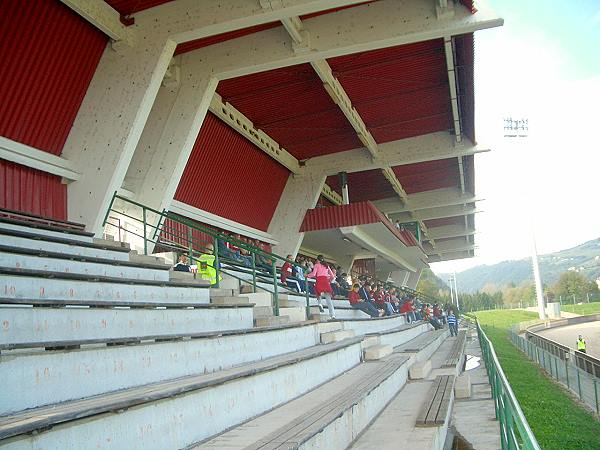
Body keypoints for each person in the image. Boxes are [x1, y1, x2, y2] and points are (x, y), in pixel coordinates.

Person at [307, 255, 336, 319]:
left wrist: (307, 275)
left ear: (317, 259)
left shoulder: (316, 265)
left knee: (318, 293)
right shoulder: (326, 265)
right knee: (328, 299)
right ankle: (332, 314)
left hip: (319, 280)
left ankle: (320, 303)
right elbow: (332, 276)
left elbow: (313, 274)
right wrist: (329, 281)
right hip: (325, 281)